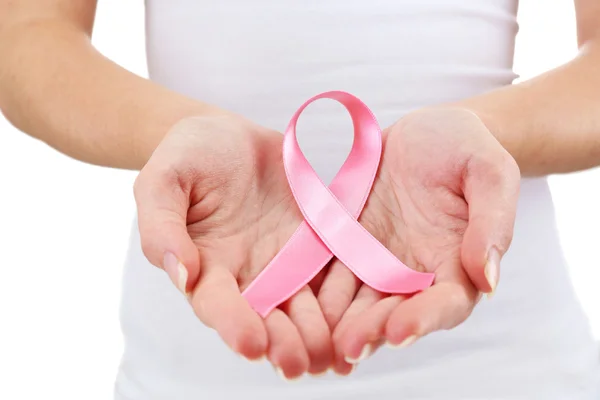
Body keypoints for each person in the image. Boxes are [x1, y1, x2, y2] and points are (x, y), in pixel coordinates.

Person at [1, 0, 599, 399]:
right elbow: (26, 33)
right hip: (193, 354)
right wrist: (184, 134)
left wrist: (483, 133)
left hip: (510, 364)